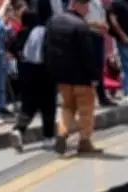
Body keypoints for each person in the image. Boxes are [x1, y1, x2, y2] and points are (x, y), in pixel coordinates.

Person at [44, 0, 102, 154]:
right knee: (86, 109)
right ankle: (84, 141)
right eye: (85, 5)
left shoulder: (53, 22)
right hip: (81, 76)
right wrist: (95, 75)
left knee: (67, 106)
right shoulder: (80, 26)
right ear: (76, 5)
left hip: (62, 75)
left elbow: (47, 48)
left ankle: (62, 132)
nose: (87, 8)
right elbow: (88, 54)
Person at [8, 9, 56, 151]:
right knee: (48, 107)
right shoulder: (43, 32)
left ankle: (19, 130)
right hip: (44, 74)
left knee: (28, 106)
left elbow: (11, 48)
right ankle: (48, 137)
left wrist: (20, 58)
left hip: (26, 76)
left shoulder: (20, 34)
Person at [107, 0, 128, 104]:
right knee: (127, 66)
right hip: (125, 40)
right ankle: (126, 93)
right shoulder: (116, 3)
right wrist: (122, 35)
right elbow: (113, 21)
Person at [87, 0, 117, 106]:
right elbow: (77, 19)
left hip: (99, 35)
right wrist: (95, 23)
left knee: (99, 67)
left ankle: (102, 96)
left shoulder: (97, 2)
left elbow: (102, 16)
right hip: (87, 34)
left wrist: (104, 25)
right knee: (90, 68)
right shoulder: (81, 3)